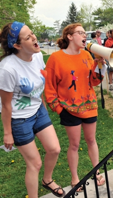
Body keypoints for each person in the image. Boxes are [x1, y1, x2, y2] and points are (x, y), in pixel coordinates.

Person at [0, 21, 65, 198]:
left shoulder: (37, 56)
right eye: (28, 37)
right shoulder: (7, 68)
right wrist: (7, 133)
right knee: (34, 163)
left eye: (32, 33)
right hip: (19, 119)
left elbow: (39, 83)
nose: (34, 37)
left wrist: (42, 105)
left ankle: (47, 180)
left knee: (54, 149)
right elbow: (5, 105)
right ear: (17, 45)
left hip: (38, 111)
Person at [45, 23, 106, 191]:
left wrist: (100, 65)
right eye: (80, 33)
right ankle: (75, 178)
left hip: (89, 105)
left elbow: (93, 81)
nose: (84, 35)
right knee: (74, 145)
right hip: (68, 109)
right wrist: (59, 109)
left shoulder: (87, 55)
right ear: (69, 36)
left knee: (92, 140)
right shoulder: (55, 58)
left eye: (85, 33)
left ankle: (97, 171)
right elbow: (49, 89)